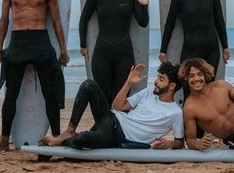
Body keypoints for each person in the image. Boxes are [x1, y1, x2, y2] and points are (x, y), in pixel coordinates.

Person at [0, 0, 69, 151]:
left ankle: (55, 135)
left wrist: (63, 50)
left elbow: (56, 22)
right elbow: (4, 20)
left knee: (50, 92)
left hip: (40, 41)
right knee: (11, 93)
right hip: (18, 41)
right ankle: (3, 139)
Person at [40, 62, 184, 150]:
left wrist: (170, 144)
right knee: (88, 85)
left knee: (81, 141)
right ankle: (70, 131)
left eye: (161, 79)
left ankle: (72, 138)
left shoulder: (175, 113)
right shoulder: (148, 92)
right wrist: (128, 83)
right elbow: (117, 107)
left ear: (171, 86)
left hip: (118, 136)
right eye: (157, 77)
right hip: (112, 118)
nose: (156, 81)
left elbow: (179, 142)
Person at [79, 0, 150, 104]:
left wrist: (143, 5)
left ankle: (119, 126)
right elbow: (83, 20)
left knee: (121, 98)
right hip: (101, 56)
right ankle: (104, 126)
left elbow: (143, 23)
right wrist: (83, 44)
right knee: (102, 98)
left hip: (125, 56)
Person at [159, 0, 229, 74]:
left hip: (211, 51)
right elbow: (170, 24)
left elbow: (219, 22)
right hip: (189, 51)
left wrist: (226, 47)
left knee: (208, 89)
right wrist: (163, 50)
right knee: (188, 89)